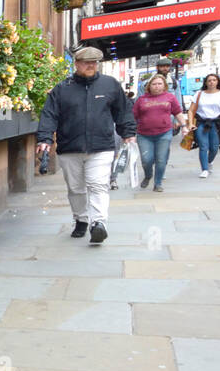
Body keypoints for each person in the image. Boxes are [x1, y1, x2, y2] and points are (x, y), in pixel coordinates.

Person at [37, 46, 136, 243]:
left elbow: (123, 111)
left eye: (94, 62)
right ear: (77, 64)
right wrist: (45, 138)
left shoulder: (110, 85)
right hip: (69, 148)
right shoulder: (62, 89)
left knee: (98, 185)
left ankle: (98, 223)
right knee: (76, 188)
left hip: (101, 147)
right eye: (86, 62)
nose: (91, 65)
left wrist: (128, 133)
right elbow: (49, 115)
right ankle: (81, 219)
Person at [133, 73, 184, 192]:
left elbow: (178, 112)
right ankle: (148, 175)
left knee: (161, 159)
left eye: (159, 84)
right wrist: (129, 132)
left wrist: (184, 126)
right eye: (154, 84)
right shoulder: (141, 99)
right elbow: (133, 116)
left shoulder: (170, 97)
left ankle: (158, 183)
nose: (156, 86)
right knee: (146, 160)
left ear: (164, 85)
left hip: (164, 133)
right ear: (149, 86)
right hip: (144, 134)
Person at [187, 73, 220, 178]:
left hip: (216, 123)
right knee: (203, 146)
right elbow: (191, 110)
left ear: (217, 81)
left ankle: (209, 162)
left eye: (214, 80)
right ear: (205, 82)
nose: (212, 82)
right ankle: (204, 169)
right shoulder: (199, 94)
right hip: (201, 123)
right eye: (209, 80)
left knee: (214, 147)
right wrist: (191, 123)